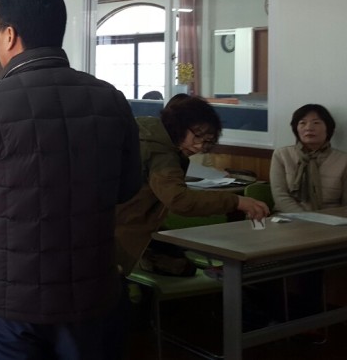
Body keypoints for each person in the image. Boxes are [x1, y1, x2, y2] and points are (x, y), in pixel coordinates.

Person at [0, 0, 142, 359]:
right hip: (89, 287)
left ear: (9, 34)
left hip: (7, 294)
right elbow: (127, 186)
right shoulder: (110, 100)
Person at [115, 94, 270, 276]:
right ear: (178, 126)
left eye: (207, 142)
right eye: (197, 137)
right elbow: (180, 200)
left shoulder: (144, 135)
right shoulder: (160, 152)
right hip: (117, 232)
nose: (199, 147)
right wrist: (238, 201)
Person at [270, 104, 347, 212]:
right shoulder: (282, 155)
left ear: (328, 128)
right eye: (302, 123)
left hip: (331, 218)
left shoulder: (345, 160)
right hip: (289, 217)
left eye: (316, 123)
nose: (309, 128)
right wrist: (305, 218)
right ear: (296, 129)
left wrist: (331, 219)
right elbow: (280, 196)